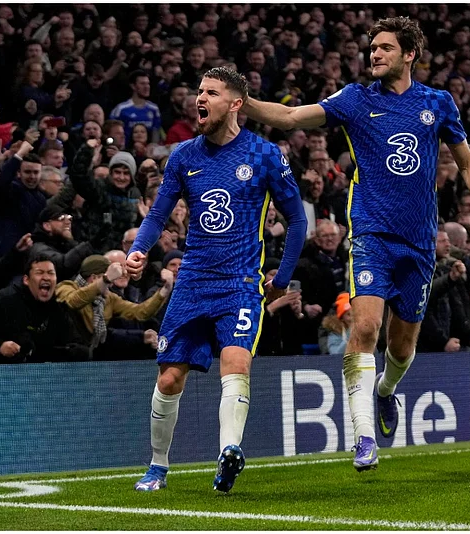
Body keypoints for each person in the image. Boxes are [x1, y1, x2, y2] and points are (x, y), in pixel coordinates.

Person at [242, 16, 470, 471]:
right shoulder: (355, 99)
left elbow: (466, 162)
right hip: (371, 235)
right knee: (365, 329)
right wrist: (243, 101)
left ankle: (386, 391)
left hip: (419, 244)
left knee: (401, 348)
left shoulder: (437, 103)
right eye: (372, 48)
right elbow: (290, 117)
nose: (375, 54)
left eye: (385, 47)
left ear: (409, 54)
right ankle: (364, 437)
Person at [126, 67, 307, 492]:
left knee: (236, 364)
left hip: (240, 284)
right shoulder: (183, 156)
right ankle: (157, 466)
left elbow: (297, 220)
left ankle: (228, 453)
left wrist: (282, 277)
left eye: (211, 92)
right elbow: (158, 214)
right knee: (169, 379)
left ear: (235, 103)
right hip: (192, 283)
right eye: (199, 91)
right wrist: (140, 248)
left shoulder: (264, 154)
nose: (200, 98)